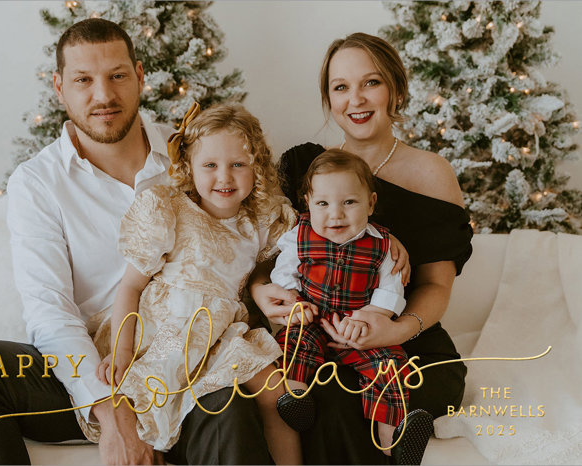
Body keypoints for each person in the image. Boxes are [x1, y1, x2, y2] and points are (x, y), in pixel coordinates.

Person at [0, 18, 273, 465]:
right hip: (90, 364)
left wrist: (261, 283)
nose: (103, 95)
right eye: (83, 80)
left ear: (139, 76)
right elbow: (49, 310)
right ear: (59, 87)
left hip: (187, 357)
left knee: (230, 405)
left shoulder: (195, 153)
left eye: (116, 76)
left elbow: (250, 234)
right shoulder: (38, 182)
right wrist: (112, 413)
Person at [249, 32, 472, 464]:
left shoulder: (431, 173)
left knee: (405, 390)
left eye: (371, 82)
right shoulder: (307, 167)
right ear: (328, 98)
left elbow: (436, 286)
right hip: (321, 330)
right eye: (340, 87)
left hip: (404, 334)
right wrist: (262, 291)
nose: (356, 99)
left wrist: (395, 330)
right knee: (326, 400)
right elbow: (277, 255)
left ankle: (398, 435)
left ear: (396, 89)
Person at [88, 102, 301, 464]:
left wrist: (383, 240)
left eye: (238, 165)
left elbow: (296, 253)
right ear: (189, 166)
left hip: (221, 336)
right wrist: (122, 349)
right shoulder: (170, 209)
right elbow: (131, 287)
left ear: (257, 167)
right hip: (166, 328)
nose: (224, 177)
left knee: (275, 393)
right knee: (152, 403)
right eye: (210, 166)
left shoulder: (261, 222)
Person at [270, 149, 433, 461]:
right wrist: (295, 303)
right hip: (313, 320)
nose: (336, 214)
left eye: (349, 202)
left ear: (370, 203)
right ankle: (295, 398)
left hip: (360, 329)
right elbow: (283, 274)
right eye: (323, 204)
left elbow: (391, 290)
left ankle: (393, 440)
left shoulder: (384, 246)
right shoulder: (298, 237)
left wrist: (368, 317)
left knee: (389, 366)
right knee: (291, 343)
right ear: (308, 203)